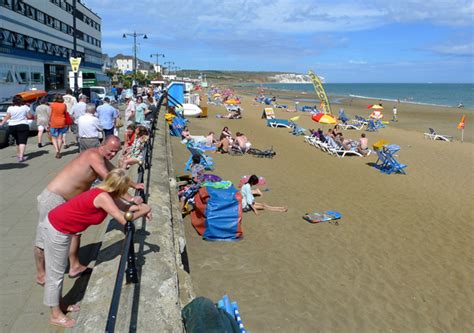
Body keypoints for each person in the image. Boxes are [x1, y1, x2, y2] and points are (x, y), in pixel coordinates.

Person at [41, 168, 151, 328]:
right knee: (55, 274)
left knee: (57, 272)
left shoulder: (107, 193)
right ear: (117, 187)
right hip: (56, 228)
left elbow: (126, 208)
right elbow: (122, 219)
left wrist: (143, 208)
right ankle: (55, 314)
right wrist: (146, 210)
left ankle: (61, 304)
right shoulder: (102, 197)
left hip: (62, 227)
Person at [34, 135, 144, 287]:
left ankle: (74, 265)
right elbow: (109, 180)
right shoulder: (93, 155)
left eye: (116, 152)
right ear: (102, 145)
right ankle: (41, 274)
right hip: (54, 198)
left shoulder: (102, 157)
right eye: (111, 151)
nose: (112, 154)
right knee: (42, 241)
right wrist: (130, 198)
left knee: (76, 232)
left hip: (69, 201)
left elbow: (115, 173)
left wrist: (134, 184)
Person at [0, 95, 33, 162]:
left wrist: (1, 123)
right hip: (23, 125)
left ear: (13, 101)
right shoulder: (25, 107)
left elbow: (7, 117)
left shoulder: (10, 108)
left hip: (12, 126)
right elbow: (29, 116)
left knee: (18, 141)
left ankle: (18, 154)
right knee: (22, 141)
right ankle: (21, 157)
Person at [49, 94, 68, 159]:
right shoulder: (64, 105)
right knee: (60, 138)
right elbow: (65, 113)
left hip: (53, 122)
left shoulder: (52, 105)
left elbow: (50, 114)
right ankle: (59, 151)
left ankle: (57, 151)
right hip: (62, 122)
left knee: (54, 138)